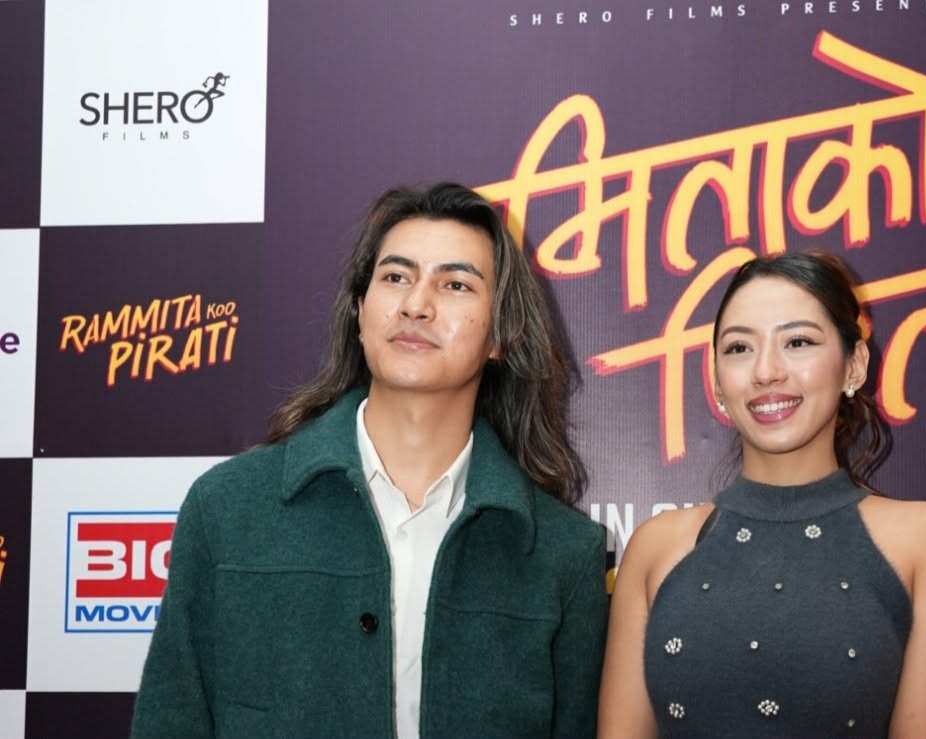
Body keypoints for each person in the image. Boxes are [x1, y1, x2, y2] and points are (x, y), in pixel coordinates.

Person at [131, 182, 608, 739]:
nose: (416, 304)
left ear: (501, 334)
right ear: (360, 312)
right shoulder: (227, 508)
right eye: (396, 277)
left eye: (455, 284)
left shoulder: (563, 553)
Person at [598, 251, 926, 739]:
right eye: (739, 348)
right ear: (716, 379)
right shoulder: (655, 549)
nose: (766, 371)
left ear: (855, 364)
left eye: (798, 342)